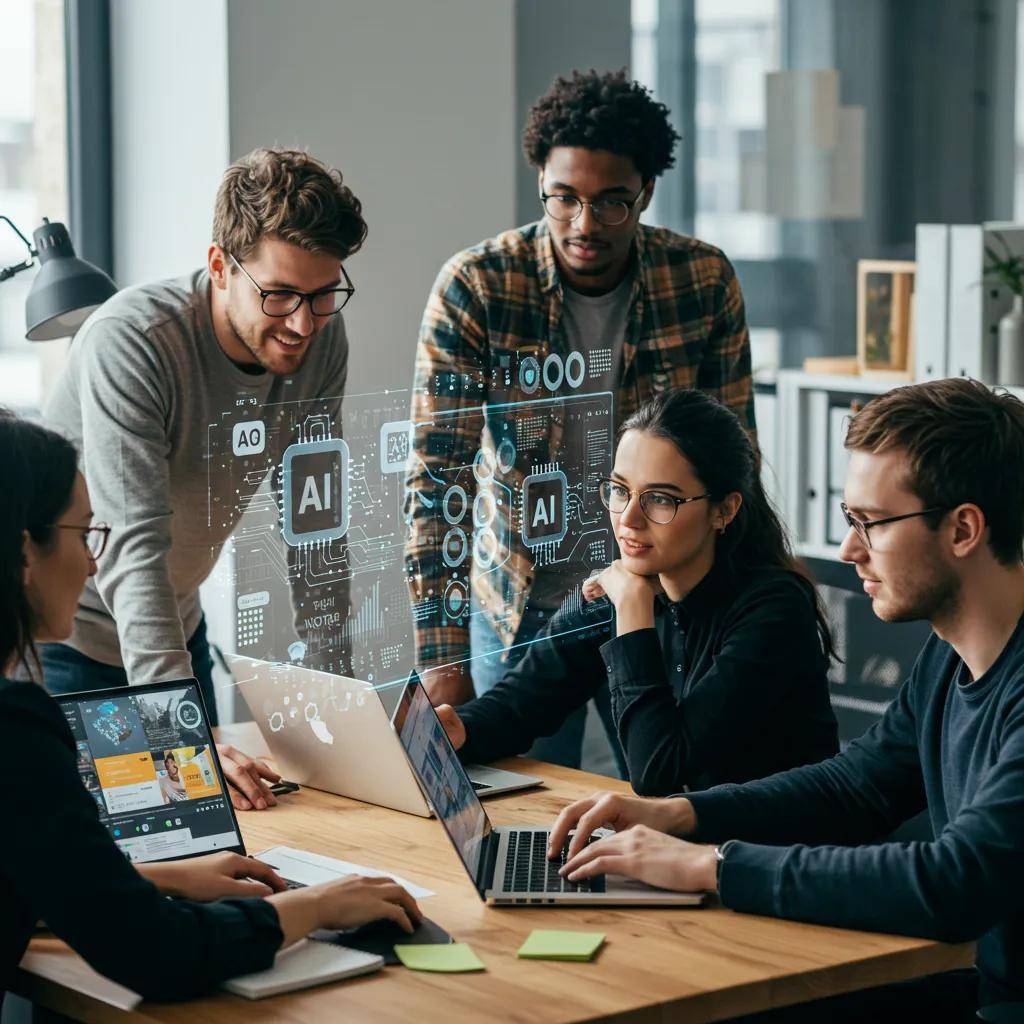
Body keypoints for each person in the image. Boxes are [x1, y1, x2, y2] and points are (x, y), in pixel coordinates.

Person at [548, 378, 1024, 1021]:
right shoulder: (950, 654)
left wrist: (709, 867)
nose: (851, 551)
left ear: (964, 528)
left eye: (871, 524)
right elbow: (856, 786)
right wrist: (679, 816)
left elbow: (953, 881)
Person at [0, 410, 421, 1005]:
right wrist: (315, 905)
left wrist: (159, 877)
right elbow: (156, 952)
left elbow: (28, 872)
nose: (95, 565)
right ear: (23, 553)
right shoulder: (15, 732)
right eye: (85, 533)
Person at [405, 69, 756, 772]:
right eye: (563, 199)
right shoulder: (479, 286)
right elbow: (437, 479)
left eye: (611, 203)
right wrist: (441, 656)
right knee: (512, 811)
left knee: (674, 796)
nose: (585, 225)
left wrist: (742, 617)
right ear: (540, 178)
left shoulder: (701, 280)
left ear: (646, 192)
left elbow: (732, 459)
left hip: (661, 600)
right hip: (521, 607)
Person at [41, 147, 366, 810]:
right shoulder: (133, 344)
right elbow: (133, 552)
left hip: (173, 632)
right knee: (120, 862)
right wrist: (180, 740)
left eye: (323, 294)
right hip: (63, 643)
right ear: (220, 267)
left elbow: (315, 528)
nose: (302, 324)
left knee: (231, 830)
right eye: (278, 295)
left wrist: (345, 716)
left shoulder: (321, 343)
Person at [435, 390, 838, 795]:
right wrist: (462, 728)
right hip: (677, 847)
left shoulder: (775, 612)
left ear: (724, 510)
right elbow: (521, 703)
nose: (628, 519)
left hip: (771, 852)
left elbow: (660, 773)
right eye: (619, 489)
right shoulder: (624, 586)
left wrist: (632, 612)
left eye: (660, 499)